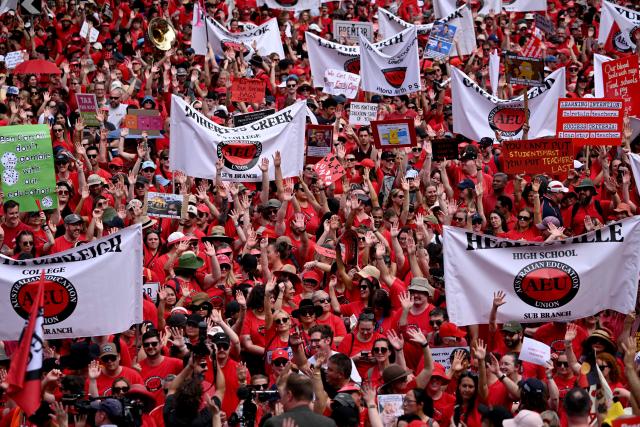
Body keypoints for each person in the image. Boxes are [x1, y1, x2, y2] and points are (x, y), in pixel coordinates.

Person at [264, 374, 337, 427]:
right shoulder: (328, 423)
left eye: (283, 394)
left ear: (289, 395)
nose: (281, 399)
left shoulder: (275, 423)